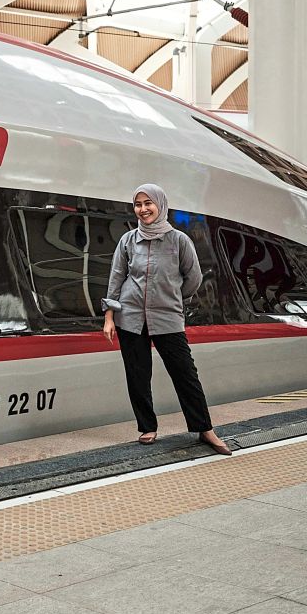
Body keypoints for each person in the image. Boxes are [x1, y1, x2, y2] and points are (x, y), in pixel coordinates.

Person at [101, 185, 232, 455]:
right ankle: (147, 426)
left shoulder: (179, 240)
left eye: (148, 203)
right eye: (138, 204)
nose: (143, 209)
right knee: (138, 374)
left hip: (167, 317)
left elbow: (193, 278)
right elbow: (116, 278)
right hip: (130, 316)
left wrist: (171, 297)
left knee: (185, 374)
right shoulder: (127, 240)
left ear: (160, 204)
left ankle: (204, 429)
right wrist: (109, 316)